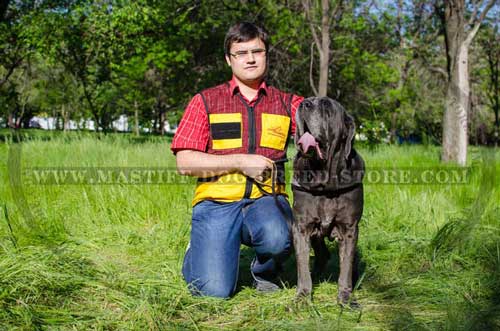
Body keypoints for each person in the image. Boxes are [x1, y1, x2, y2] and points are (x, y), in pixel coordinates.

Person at [170, 22, 303, 298]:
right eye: (241, 53)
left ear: (267, 54)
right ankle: (196, 251)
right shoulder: (205, 101)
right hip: (216, 204)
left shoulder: (288, 103)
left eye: (257, 51)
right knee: (213, 292)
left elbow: (323, 123)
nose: (251, 58)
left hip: (268, 201)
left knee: (280, 235)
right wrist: (241, 162)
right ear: (228, 60)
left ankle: (265, 273)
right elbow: (184, 161)